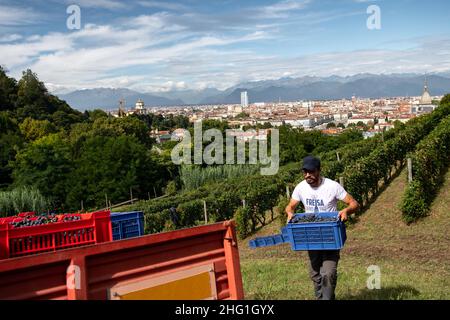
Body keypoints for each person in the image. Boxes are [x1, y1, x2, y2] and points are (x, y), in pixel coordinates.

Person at [285, 155, 359, 300]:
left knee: (329, 272)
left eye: (311, 172)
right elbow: (291, 206)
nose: (308, 175)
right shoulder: (300, 187)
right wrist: (289, 212)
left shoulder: (332, 186)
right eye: (305, 172)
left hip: (330, 235)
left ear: (319, 170)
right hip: (311, 236)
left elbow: (354, 204)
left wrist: (345, 211)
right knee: (315, 274)